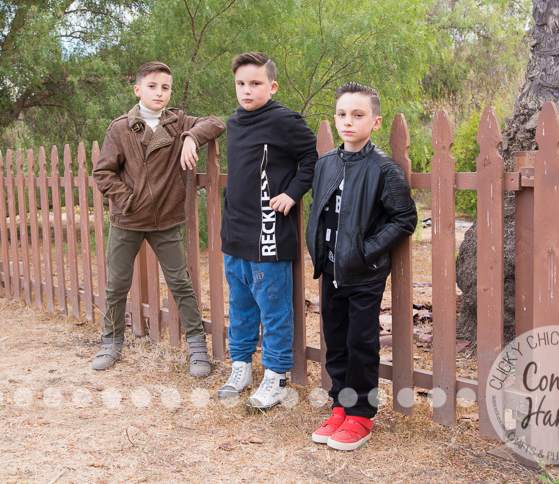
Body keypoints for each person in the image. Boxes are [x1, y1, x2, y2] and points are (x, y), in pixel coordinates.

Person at [92, 61, 225, 376]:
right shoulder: (120, 127)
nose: (159, 92)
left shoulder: (177, 122)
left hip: (165, 219)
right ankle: (111, 342)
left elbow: (217, 122)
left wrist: (191, 137)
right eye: (152, 86)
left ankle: (196, 348)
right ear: (138, 90)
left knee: (180, 283)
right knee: (116, 284)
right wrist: (128, 200)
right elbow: (103, 172)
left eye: (165, 87)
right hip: (128, 219)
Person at [306, 82, 417, 450]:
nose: (348, 122)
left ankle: (362, 414)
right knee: (335, 340)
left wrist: (366, 251)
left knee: (360, 342)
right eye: (342, 114)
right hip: (332, 271)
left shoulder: (383, 169)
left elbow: (404, 218)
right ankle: (341, 404)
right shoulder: (326, 164)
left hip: (364, 274)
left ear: (376, 121)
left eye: (358, 115)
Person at [217, 52, 318, 411]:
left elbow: (313, 159)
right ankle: (241, 368)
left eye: (255, 83)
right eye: (241, 83)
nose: (247, 90)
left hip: (269, 233)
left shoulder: (284, 121)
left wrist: (292, 193)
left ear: (271, 86)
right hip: (235, 233)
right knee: (241, 306)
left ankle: (275, 377)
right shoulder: (234, 121)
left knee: (273, 310)